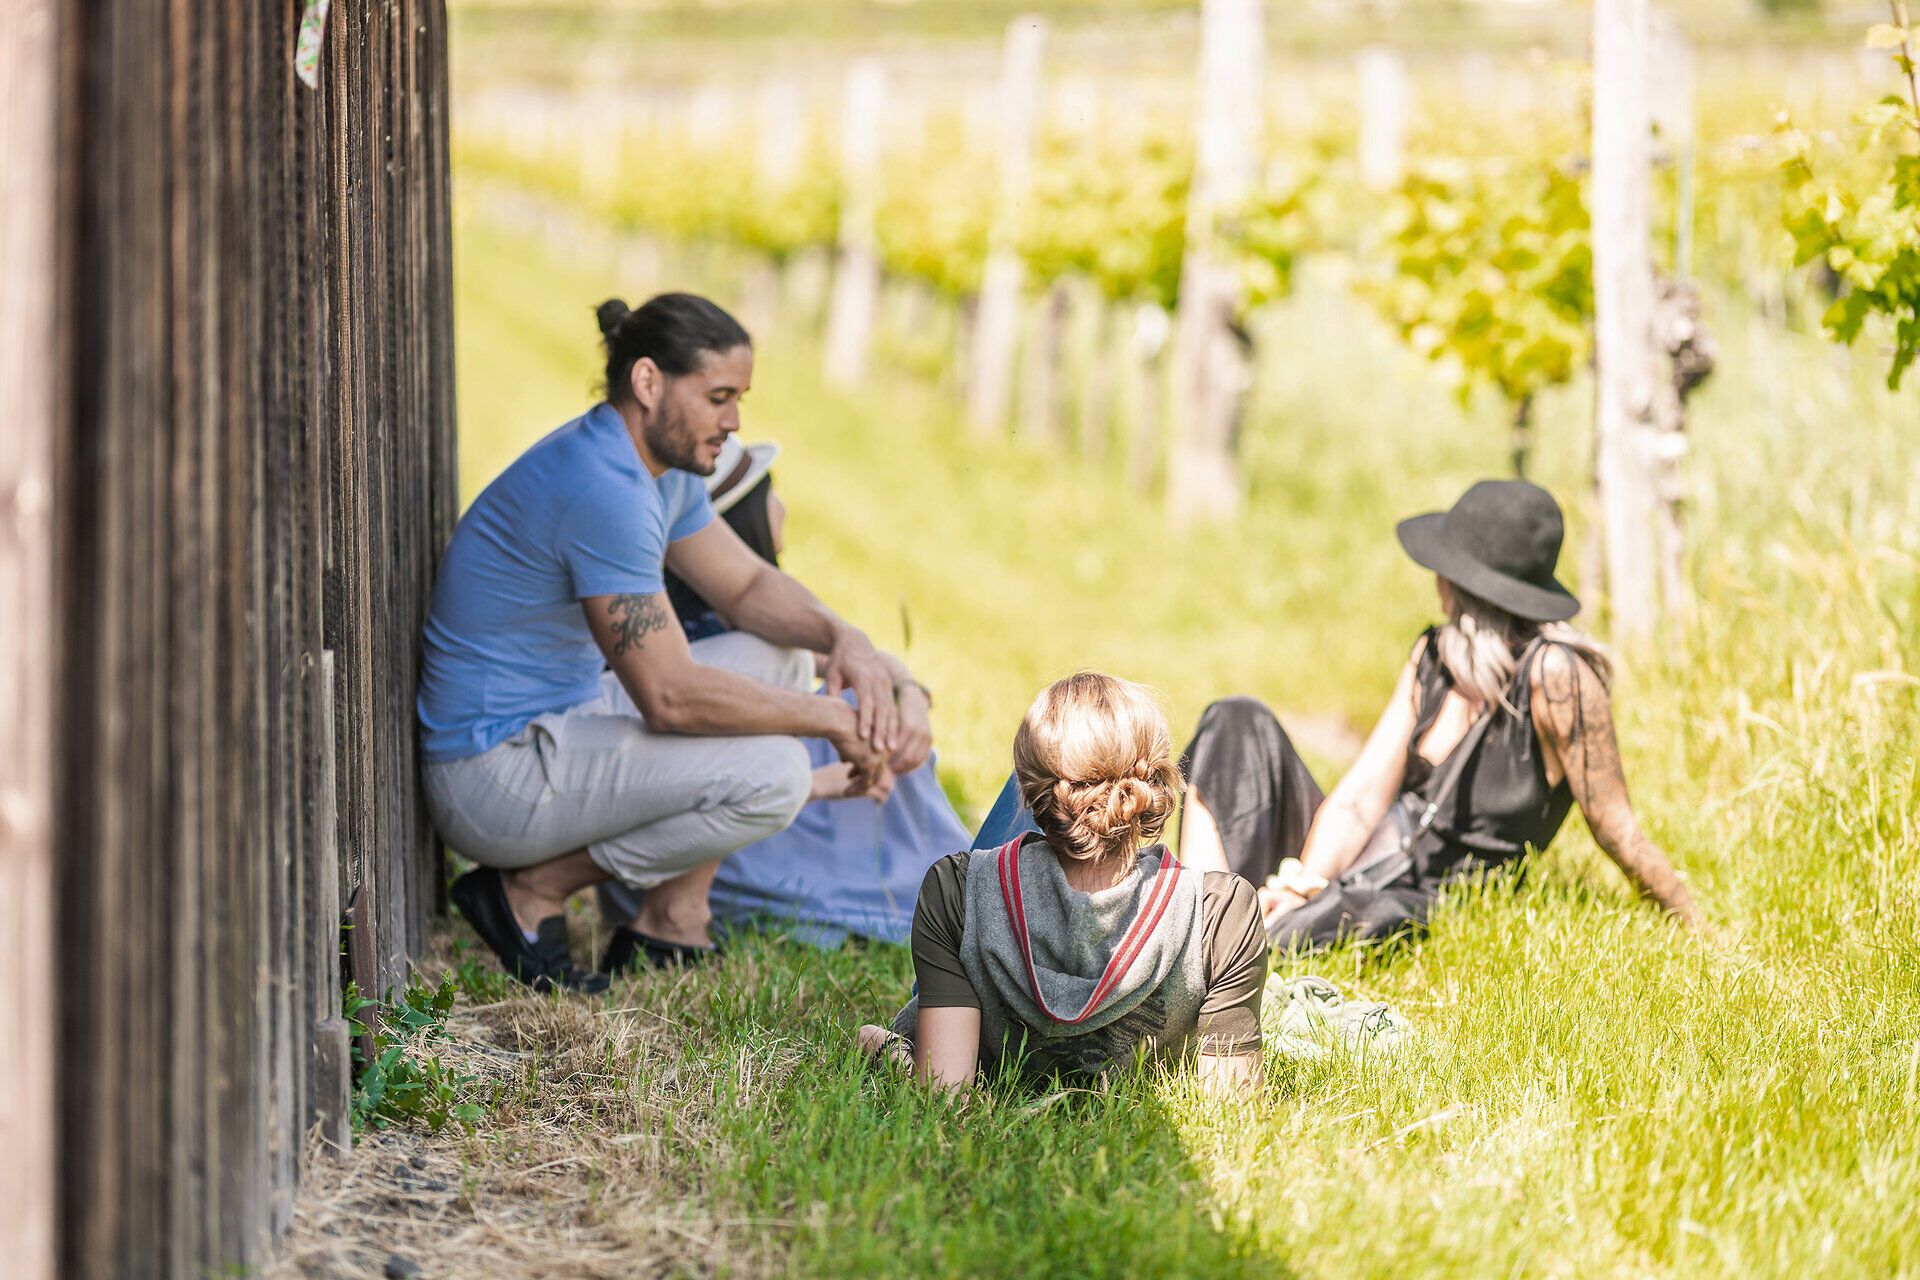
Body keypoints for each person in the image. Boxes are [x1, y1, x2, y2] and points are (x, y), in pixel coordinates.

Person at [417, 292, 924, 993]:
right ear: (649, 383)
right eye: (718, 396)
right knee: (774, 776)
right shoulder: (605, 489)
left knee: (777, 655)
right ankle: (530, 889)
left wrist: (849, 640)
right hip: (488, 775)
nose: (735, 421)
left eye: (739, 397)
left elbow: (745, 589)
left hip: (548, 724)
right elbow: (671, 698)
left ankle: (664, 913)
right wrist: (834, 719)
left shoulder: (653, 470)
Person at [1176, 478, 1705, 949]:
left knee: (1379, 916)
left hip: (1415, 897)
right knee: (1234, 719)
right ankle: (1201, 926)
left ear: (1460, 583)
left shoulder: (1557, 678)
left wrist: (1698, 929)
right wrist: (1302, 882)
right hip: (1350, 861)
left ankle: (1233, 950)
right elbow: (1360, 801)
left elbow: (1618, 829)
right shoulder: (1434, 653)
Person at [597, 437, 967, 947]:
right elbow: (702, 778)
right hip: (722, 841)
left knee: (861, 704)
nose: (783, 505)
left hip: (773, 805)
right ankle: (937, 896)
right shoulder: (672, 643)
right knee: (833, 710)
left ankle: (950, 882)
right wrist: (821, 781)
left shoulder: (747, 625)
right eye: (765, 491)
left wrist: (910, 696)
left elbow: (869, 665)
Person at [857, 673, 1268, 1096]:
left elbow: (945, 1093)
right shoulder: (1219, 913)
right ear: (1156, 779)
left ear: (1028, 788)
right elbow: (1230, 1102)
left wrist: (887, 1050)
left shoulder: (957, 893)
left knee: (884, 1034)